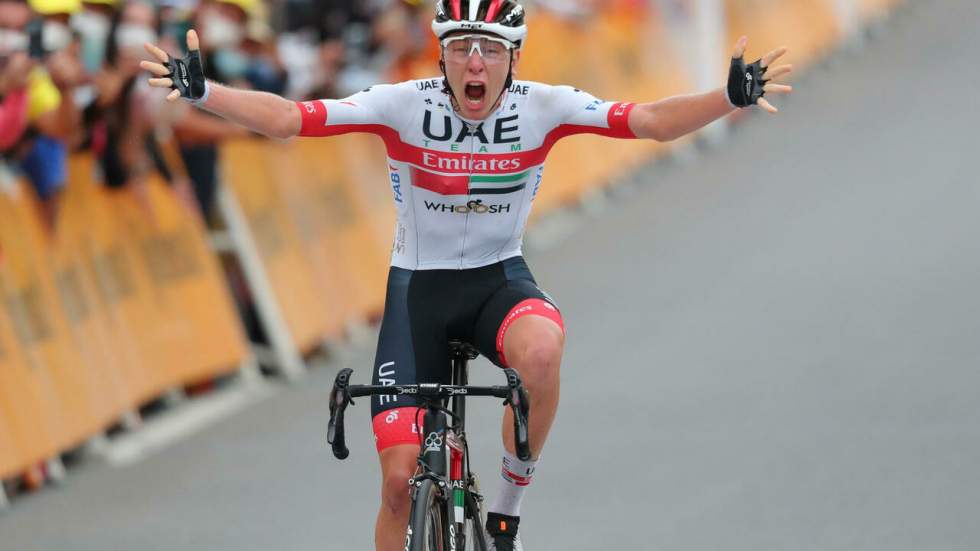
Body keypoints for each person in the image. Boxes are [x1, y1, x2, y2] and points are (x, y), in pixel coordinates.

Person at [141, 1, 792, 549]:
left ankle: (508, 501)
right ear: (441, 56)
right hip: (416, 292)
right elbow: (289, 119)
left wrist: (728, 96)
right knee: (398, 483)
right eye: (460, 49)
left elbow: (648, 122)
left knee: (541, 349)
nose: (474, 63)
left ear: (514, 57)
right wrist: (203, 91)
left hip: (495, 282)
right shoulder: (403, 104)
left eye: (489, 49)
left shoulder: (543, 107)